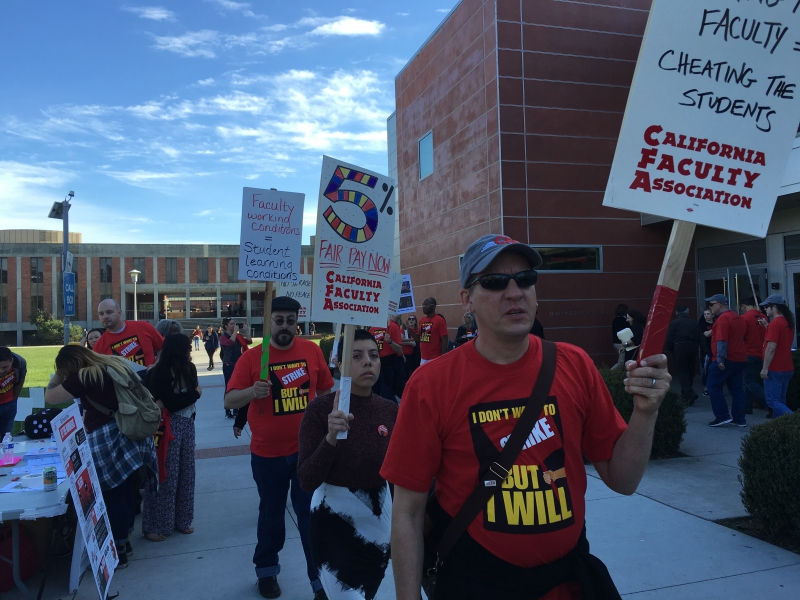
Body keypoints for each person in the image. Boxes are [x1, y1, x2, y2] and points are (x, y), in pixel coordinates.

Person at [381, 234, 670, 600]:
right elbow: (407, 512)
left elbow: (624, 480)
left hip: (567, 582)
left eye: (526, 279)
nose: (515, 292)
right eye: (495, 282)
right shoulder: (431, 384)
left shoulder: (574, 364)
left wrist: (645, 413)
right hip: (476, 583)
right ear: (467, 300)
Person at [224, 296, 334, 600]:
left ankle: (318, 580)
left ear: (296, 321)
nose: (285, 326)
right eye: (279, 320)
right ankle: (267, 571)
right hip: (267, 455)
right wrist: (252, 391)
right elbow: (229, 400)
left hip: (306, 452)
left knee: (309, 517)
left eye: (290, 320)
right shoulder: (252, 358)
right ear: (268, 321)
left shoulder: (311, 352)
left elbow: (325, 390)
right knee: (271, 515)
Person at [297, 329, 398, 600]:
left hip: (380, 522)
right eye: (357, 356)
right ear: (339, 364)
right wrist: (330, 437)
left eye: (374, 355)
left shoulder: (390, 410)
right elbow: (306, 479)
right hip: (334, 525)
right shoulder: (320, 409)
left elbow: (401, 474)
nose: (368, 361)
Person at [45, 346, 158, 568]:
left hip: (110, 437)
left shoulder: (83, 376)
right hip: (133, 431)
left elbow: (50, 397)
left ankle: (119, 550)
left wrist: (58, 372)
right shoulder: (113, 364)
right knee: (127, 490)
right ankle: (125, 541)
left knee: (111, 493)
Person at [143, 334, 202, 542]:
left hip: (187, 425)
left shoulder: (189, 369)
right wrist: (195, 394)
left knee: (187, 474)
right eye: (187, 347)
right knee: (166, 475)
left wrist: (186, 397)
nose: (190, 351)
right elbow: (173, 403)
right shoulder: (159, 373)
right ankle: (156, 524)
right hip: (165, 427)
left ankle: (183, 520)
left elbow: (176, 400)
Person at [705, 294, 747, 427]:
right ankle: (739, 419)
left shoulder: (723, 319)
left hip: (726, 358)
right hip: (739, 358)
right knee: (737, 389)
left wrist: (720, 359)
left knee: (712, 386)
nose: (710, 308)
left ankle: (722, 416)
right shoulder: (736, 317)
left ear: (719, 304)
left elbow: (722, 340)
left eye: (712, 305)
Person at [93, 299, 164, 367]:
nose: (105, 317)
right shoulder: (98, 347)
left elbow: (164, 348)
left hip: (151, 378)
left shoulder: (144, 327)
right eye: (101, 314)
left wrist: (156, 365)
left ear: (119, 312)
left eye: (109, 312)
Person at [759, 295, 796, 419]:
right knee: (780, 400)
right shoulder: (788, 322)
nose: (765, 309)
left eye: (767, 306)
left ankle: (794, 421)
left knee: (772, 401)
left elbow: (771, 348)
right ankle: (780, 429)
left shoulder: (775, 324)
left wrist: (765, 368)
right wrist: (767, 326)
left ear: (774, 307)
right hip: (787, 366)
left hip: (775, 367)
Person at [665, 306, 702, 406]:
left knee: (681, 371)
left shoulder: (674, 323)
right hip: (693, 347)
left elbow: (669, 339)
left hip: (679, 347)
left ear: (677, 313)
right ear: (688, 312)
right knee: (690, 371)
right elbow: (700, 337)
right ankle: (685, 395)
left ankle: (689, 393)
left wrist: (671, 349)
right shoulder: (694, 323)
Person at [220, 317, 252, 419]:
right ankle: (228, 409)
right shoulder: (223, 337)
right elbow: (230, 343)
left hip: (238, 363)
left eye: (234, 324)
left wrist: (246, 331)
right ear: (226, 326)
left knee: (238, 386)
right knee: (229, 386)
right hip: (228, 364)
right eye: (231, 324)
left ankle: (236, 409)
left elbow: (249, 342)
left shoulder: (237, 336)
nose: (234, 325)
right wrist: (235, 332)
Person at [740, 297, 766, 414]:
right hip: (761, 354)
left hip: (748, 353)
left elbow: (741, 336)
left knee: (748, 381)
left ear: (744, 305)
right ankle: (747, 406)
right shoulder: (763, 317)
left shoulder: (745, 318)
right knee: (750, 380)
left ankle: (768, 402)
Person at [369, 317, 404, 401]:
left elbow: (399, 349)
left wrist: (390, 342)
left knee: (387, 392)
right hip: (375, 362)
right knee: (374, 391)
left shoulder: (393, 327)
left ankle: (390, 412)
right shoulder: (372, 328)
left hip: (388, 363)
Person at [0, 347, 27, 437]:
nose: (1, 371)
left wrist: (14, 399)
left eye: (5, 367)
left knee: (6, 437)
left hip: (10, 404)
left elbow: (21, 380)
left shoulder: (19, 362)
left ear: (11, 360)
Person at [419, 298, 448, 364]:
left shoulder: (439, 320)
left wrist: (443, 357)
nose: (423, 307)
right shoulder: (421, 320)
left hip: (435, 357)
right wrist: (410, 330)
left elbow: (444, 340)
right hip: (423, 358)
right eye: (423, 305)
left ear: (433, 306)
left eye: (426, 305)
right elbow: (420, 339)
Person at [698, 307, 715, 395]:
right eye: (705, 314)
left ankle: (714, 387)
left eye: (708, 314)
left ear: (712, 315)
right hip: (707, 349)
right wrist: (717, 327)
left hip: (716, 349)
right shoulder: (703, 324)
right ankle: (706, 388)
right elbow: (706, 334)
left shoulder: (715, 322)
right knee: (707, 369)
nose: (706, 316)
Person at [401, 315, 420, 380]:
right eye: (409, 319)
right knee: (405, 374)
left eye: (413, 319)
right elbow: (401, 341)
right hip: (406, 354)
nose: (411, 320)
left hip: (416, 354)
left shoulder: (418, 330)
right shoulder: (403, 330)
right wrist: (411, 343)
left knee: (415, 371)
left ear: (415, 321)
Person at [610, 304, 629, 370]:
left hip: (616, 342)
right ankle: (610, 373)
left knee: (622, 361)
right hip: (621, 343)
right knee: (621, 362)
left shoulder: (615, 320)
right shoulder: (624, 320)